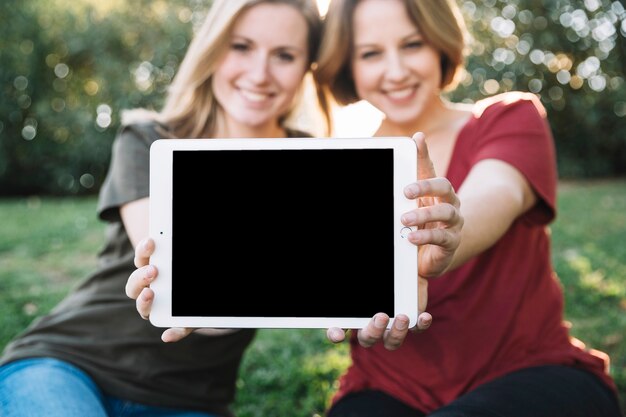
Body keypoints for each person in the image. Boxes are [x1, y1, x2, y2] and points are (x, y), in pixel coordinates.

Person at [0, 1, 332, 416]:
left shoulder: (313, 160)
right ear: (212, 50)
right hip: (67, 364)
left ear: (307, 67)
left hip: (190, 397)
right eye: (241, 46)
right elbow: (177, 280)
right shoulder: (150, 140)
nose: (260, 73)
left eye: (284, 55)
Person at [310, 0, 623, 416]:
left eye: (412, 44)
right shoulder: (337, 164)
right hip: (385, 386)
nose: (397, 70)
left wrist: (446, 237)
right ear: (347, 64)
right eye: (371, 53)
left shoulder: (509, 118)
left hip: (529, 371)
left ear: (440, 44)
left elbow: (498, 192)